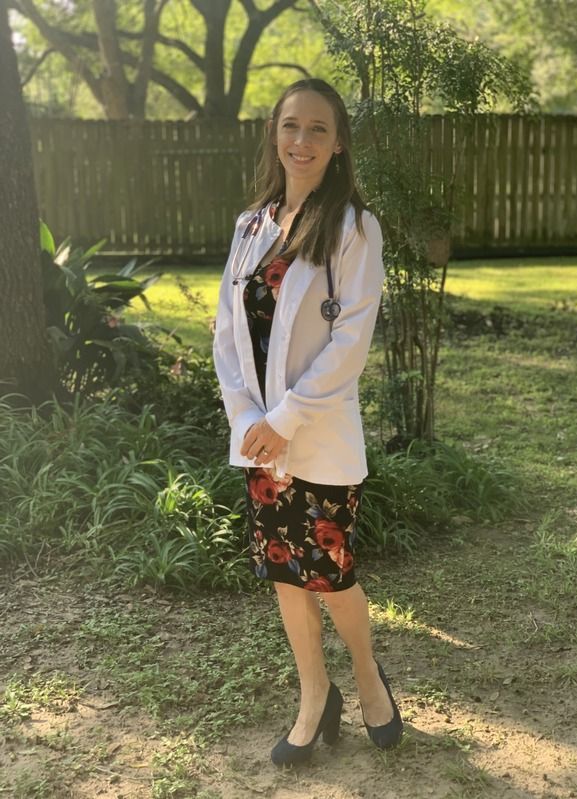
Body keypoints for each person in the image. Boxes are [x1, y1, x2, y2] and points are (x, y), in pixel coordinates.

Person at [212, 78, 402, 766]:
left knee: (333, 572)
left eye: (317, 128)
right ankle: (313, 694)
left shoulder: (354, 228)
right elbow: (226, 337)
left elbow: (349, 342)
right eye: (291, 126)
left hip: (317, 436)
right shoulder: (250, 225)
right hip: (261, 441)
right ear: (274, 133)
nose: (301, 140)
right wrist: (250, 422)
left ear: (338, 142)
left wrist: (286, 418)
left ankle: (367, 673)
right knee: (286, 576)